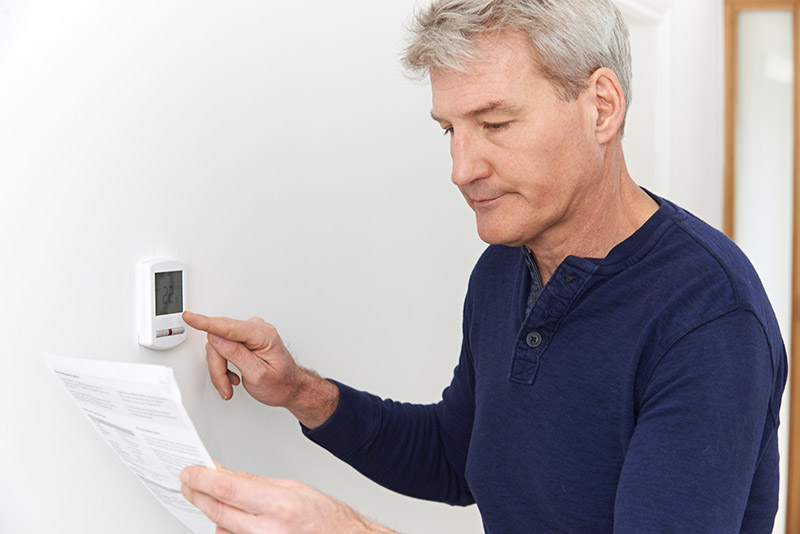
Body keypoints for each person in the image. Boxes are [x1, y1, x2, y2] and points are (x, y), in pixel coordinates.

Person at [179, 0, 788, 532]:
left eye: (495, 124)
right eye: (450, 129)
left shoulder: (709, 320)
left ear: (601, 107)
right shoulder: (502, 270)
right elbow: (458, 454)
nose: (462, 168)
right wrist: (299, 392)